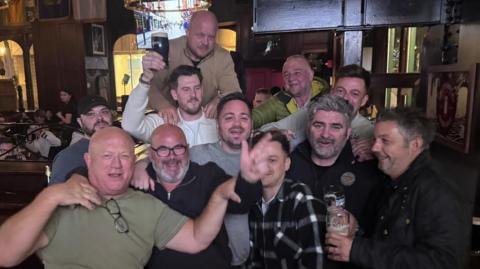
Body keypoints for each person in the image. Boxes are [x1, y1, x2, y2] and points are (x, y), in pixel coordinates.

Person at [0, 127, 240, 268]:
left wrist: (219, 196)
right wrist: (49, 196)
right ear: (88, 162)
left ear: (134, 162)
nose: (116, 165)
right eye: (106, 156)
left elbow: (197, 238)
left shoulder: (148, 205)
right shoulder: (61, 202)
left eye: (124, 156)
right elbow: (5, 253)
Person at [325, 108, 464, 269]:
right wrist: (358, 229)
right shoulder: (390, 177)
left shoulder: (437, 190)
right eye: (375, 139)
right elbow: (387, 237)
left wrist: (356, 250)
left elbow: (442, 262)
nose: (375, 148)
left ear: (415, 145)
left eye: (385, 141)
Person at [131, 124, 261, 269]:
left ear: (187, 149)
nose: (172, 157)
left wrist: (249, 179)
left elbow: (241, 203)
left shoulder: (208, 175)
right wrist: (137, 166)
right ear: (151, 154)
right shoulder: (138, 184)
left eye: (178, 148)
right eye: (163, 150)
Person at [287, 94, 382, 241]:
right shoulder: (288, 163)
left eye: (335, 127)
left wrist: (358, 229)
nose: (325, 134)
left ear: (348, 132)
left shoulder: (367, 169)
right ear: (308, 128)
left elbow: (380, 233)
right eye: (318, 125)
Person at [247, 130, 324, 269]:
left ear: (287, 163)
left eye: (272, 160)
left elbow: (316, 261)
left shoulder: (301, 200)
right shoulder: (250, 203)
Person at [148, 10, 241, 122]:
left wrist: (220, 100)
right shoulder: (168, 50)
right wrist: (163, 105)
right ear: (187, 32)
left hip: (205, 122)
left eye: (211, 37)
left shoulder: (222, 57)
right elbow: (149, 86)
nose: (205, 42)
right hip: (168, 122)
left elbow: (234, 92)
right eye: (200, 35)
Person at [260, 64, 374, 152]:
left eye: (354, 93)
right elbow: (264, 131)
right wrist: (277, 135)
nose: (345, 98)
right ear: (332, 92)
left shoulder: (368, 132)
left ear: (364, 100)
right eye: (340, 91)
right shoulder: (310, 113)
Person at [122, 63, 218, 146]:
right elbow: (130, 125)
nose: (193, 94)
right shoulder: (162, 122)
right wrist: (144, 81)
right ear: (174, 94)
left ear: (202, 90)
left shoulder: (217, 121)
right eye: (186, 89)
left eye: (197, 88)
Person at [252, 54, 329, 129]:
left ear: (310, 75)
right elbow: (256, 117)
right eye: (286, 74)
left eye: (297, 73)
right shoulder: (279, 100)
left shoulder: (327, 97)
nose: (291, 78)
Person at [50, 95, 113, 184]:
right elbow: (55, 196)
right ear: (80, 122)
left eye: (104, 112)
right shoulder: (68, 158)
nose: (100, 118)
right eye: (91, 114)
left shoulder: (122, 149)